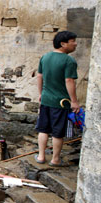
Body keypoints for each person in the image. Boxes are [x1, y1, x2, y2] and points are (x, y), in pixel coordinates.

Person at [34, 31, 79, 166]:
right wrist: (74, 101)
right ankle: (55, 159)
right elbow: (69, 80)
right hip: (60, 102)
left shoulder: (45, 57)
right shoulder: (69, 60)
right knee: (57, 132)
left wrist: (41, 93)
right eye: (73, 41)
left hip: (46, 99)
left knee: (43, 129)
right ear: (63, 44)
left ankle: (41, 156)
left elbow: (39, 76)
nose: (75, 44)